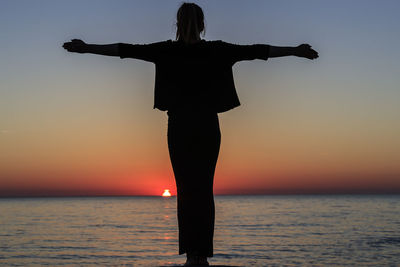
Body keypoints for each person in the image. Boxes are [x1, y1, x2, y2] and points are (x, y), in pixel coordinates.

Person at [63, 2, 318, 266]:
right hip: (207, 125)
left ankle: (192, 256)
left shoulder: (166, 50)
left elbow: (123, 50)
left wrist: (86, 48)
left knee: (186, 190)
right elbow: (258, 51)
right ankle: (200, 256)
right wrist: (295, 51)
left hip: (180, 127)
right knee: (203, 190)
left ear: (177, 24)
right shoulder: (216, 50)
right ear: (203, 24)